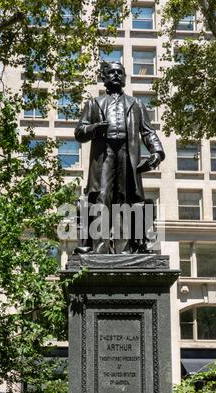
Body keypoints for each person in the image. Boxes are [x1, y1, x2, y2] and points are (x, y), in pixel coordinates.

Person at [74, 61, 165, 254]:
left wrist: (157, 151)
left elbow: (148, 132)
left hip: (127, 153)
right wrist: (94, 128)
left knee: (128, 200)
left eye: (119, 72)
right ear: (104, 78)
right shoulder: (93, 103)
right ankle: (99, 249)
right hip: (104, 155)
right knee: (101, 198)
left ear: (124, 78)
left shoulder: (136, 104)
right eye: (111, 72)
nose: (116, 75)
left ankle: (128, 248)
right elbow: (79, 132)